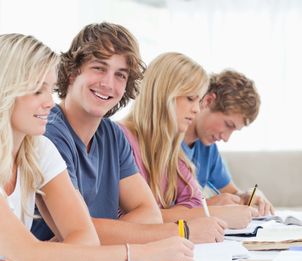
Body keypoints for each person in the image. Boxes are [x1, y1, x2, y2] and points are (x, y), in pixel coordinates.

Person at [0, 33, 193, 261]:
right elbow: (34, 256)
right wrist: (140, 255)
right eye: (37, 90)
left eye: (49, 88)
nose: (49, 101)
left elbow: (84, 236)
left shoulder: (38, 150)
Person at [32, 22, 224, 244]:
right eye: (99, 68)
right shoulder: (49, 132)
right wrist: (181, 232)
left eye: (120, 75)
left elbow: (150, 213)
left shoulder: (113, 135)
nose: (108, 83)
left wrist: (102, 233)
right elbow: (79, 232)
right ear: (73, 72)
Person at [119, 52, 256, 229]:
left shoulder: (171, 149)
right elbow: (142, 217)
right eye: (191, 99)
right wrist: (210, 211)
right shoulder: (120, 138)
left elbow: (193, 202)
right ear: (164, 94)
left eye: (197, 101)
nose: (197, 110)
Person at [182, 69, 274, 215]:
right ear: (208, 101)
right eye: (228, 125)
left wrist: (247, 195)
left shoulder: (208, 149)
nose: (226, 138)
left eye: (234, 130)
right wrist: (209, 206)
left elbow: (233, 193)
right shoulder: (167, 143)